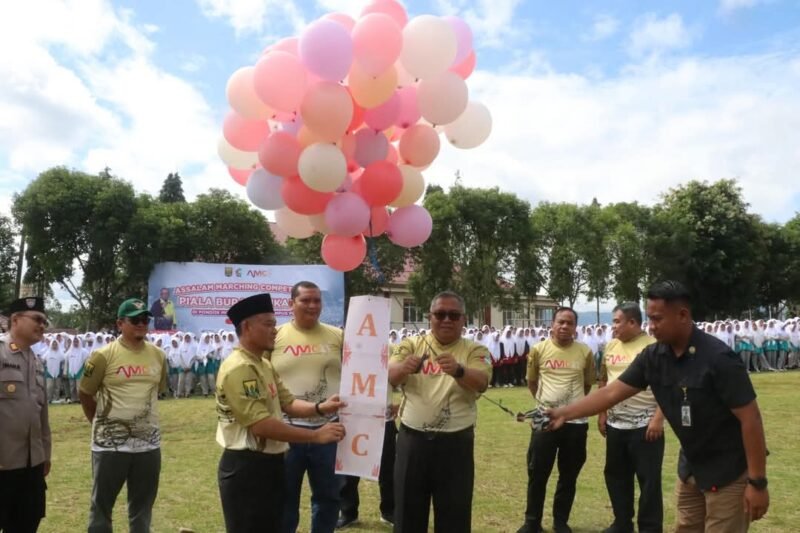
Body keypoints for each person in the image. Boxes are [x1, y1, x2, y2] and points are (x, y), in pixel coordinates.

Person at [546, 281, 769, 532]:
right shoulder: (653, 357)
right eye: (649, 318)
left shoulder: (718, 358)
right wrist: (564, 413)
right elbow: (611, 393)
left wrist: (757, 483)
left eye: (657, 319)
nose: (650, 326)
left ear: (682, 315)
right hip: (691, 467)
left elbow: (751, 419)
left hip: (729, 471)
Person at [216, 293, 346, 533]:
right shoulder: (240, 368)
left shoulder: (263, 364)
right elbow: (261, 425)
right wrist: (315, 436)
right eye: (268, 324)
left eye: (274, 324)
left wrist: (320, 407)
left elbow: (288, 403)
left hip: (271, 463)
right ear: (247, 327)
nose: (274, 331)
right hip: (247, 466)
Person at [388, 291, 491, 533]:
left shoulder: (475, 350)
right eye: (440, 314)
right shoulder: (410, 345)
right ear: (429, 317)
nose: (446, 320)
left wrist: (459, 371)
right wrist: (404, 368)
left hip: (456, 443)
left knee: (454, 514)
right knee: (407, 513)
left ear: (464, 319)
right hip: (413, 441)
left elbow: (482, 382)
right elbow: (389, 376)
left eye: (453, 315)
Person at [78, 298, 169, 533]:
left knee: (142, 508)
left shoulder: (158, 355)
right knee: (102, 507)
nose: (141, 324)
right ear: (120, 323)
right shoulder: (102, 356)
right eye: (135, 320)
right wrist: (99, 423)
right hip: (110, 446)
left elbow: (157, 390)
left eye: (145, 320)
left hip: (148, 446)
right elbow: (85, 393)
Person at [270, 281, 344, 533]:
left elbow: (362, 369)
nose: (312, 305)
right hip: (286, 432)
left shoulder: (338, 336)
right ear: (291, 304)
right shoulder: (275, 336)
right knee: (284, 499)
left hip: (329, 431)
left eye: (317, 300)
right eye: (305, 300)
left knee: (328, 498)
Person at [517, 307, 595, 533]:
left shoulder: (585, 351)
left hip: (576, 423)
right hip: (545, 421)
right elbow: (532, 382)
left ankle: (560, 522)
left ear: (575, 327)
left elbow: (587, 384)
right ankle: (532, 522)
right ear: (552, 324)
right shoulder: (538, 349)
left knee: (569, 475)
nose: (564, 326)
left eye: (569, 323)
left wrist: (570, 410)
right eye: (560, 322)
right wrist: (545, 406)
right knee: (537, 473)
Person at [598, 303, 664, 533]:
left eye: (617, 321)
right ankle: (622, 523)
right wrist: (602, 412)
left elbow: (668, 386)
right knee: (616, 476)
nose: (613, 326)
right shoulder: (611, 346)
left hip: (645, 425)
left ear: (633, 322)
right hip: (616, 425)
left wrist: (658, 419)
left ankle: (650, 528)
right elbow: (604, 380)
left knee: (649, 480)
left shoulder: (654, 347)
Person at [0, 297, 51, 533]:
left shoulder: (37, 362)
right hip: (3, 463)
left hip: (31, 465)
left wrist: (45, 455)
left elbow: (42, 417)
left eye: (44, 322)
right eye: (37, 319)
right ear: (16, 320)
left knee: (26, 524)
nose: (42, 325)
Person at [336, 392, 399, 529]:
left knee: (387, 468)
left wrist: (402, 403)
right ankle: (348, 512)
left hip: (383, 418)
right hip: (353, 416)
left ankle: (389, 511)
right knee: (349, 468)